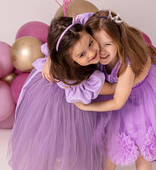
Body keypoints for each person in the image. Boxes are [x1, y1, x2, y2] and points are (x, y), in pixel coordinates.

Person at [75, 10, 156, 170]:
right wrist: (49, 62)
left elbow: (117, 102)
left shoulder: (127, 65)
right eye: (96, 43)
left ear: (118, 42)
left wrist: (86, 106)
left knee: (143, 150)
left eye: (108, 44)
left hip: (140, 103)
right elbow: (65, 43)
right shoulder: (92, 55)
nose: (101, 51)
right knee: (109, 150)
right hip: (115, 102)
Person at [8, 13, 114, 170]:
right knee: (57, 139)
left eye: (91, 43)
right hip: (58, 97)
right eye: (82, 54)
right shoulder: (85, 81)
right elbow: (112, 89)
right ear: (68, 60)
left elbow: (109, 18)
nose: (92, 53)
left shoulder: (81, 28)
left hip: (65, 75)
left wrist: (50, 58)